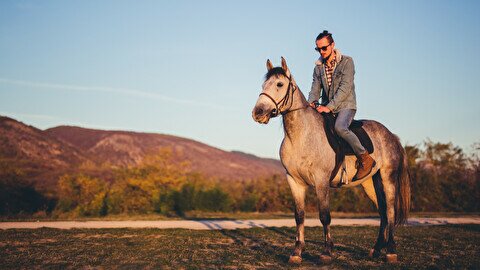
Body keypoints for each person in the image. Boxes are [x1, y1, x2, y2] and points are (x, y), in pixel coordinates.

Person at [307, 30, 375, 180]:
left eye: (324, 48)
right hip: (326, 106)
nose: (321, 51)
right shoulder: (318, 67)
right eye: (318, 49)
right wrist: (311, 102)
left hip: (346, 105)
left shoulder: (347, 62)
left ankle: (365, 158)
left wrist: (329, 107)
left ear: (332, 45)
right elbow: (315, 88)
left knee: (340, 127)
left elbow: (345, 88)